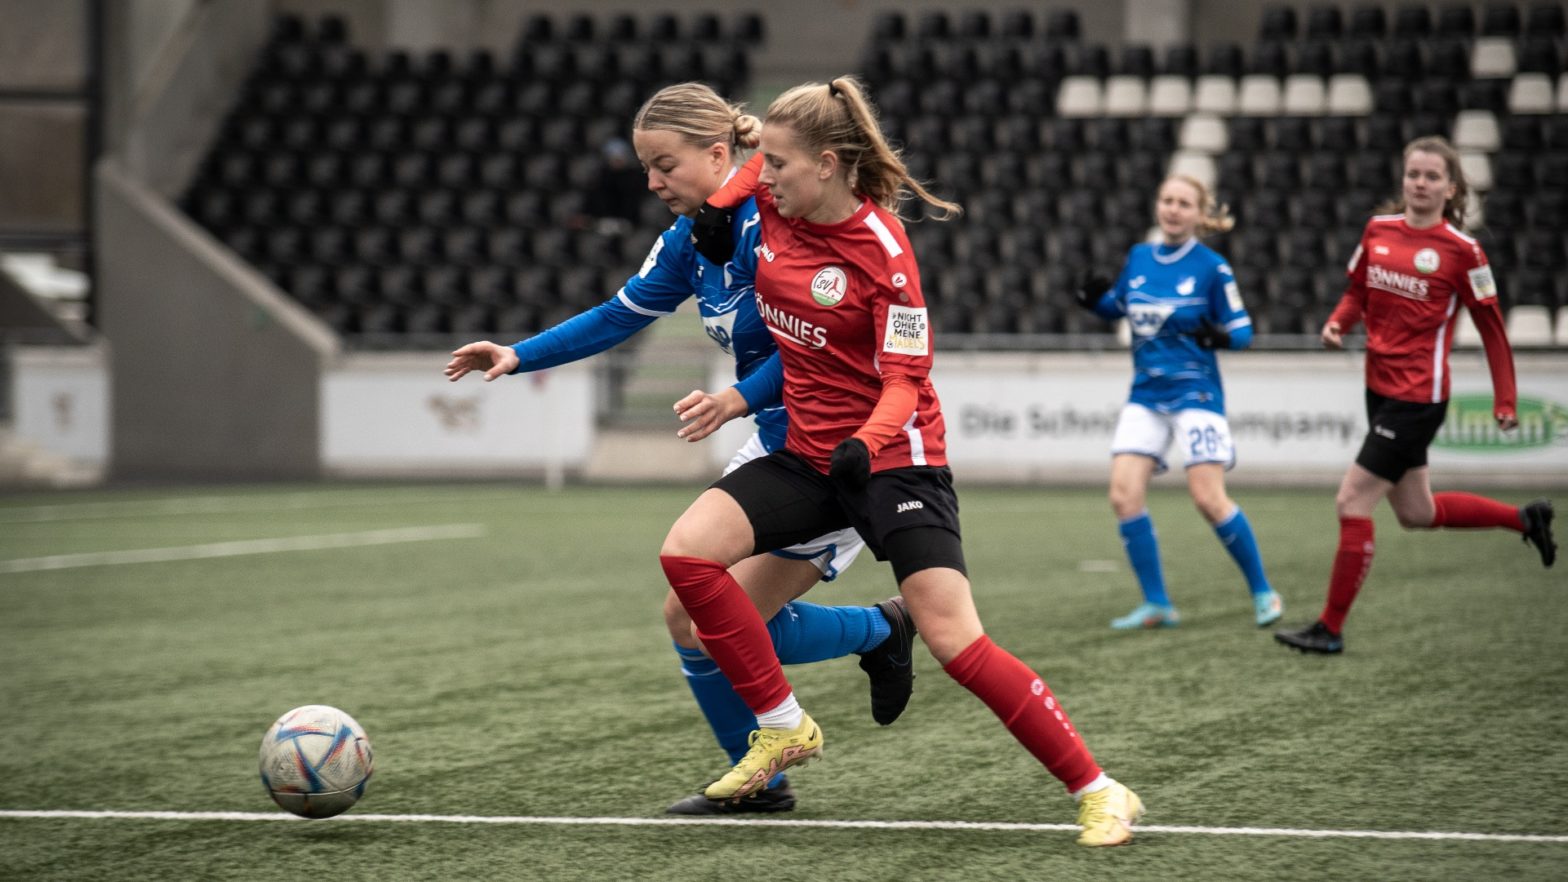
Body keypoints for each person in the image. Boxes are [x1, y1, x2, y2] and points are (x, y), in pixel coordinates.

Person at [658, 76, 1143, 847]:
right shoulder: (775, 203)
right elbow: (744, 174)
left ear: (828, 163)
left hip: (894, 459)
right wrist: (725, 201)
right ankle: (784, 727)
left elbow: (906, 380)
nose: (765, 177)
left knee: (956, 640)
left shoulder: (885, 251)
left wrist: (866, 445)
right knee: (685, 556)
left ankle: (1100, 788)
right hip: (805, 455)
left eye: (778, 164)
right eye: (765, 166)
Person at [443, 83, 918, 813]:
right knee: (689, 619)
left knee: (719, 620)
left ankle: (874, 635)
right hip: (772, 448)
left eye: (665, 164)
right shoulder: (693, 239)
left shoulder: (779, 221)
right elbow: (616, 315)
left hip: (834, 455)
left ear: (719, 153)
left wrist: (736, 396)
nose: (652, 182)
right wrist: (518, 353)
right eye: (646, 168)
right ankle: (773, 766)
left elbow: (815, 347)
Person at [1274, 135, 1557, 655]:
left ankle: (1330, 628)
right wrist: (1338, 323)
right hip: (1378, 389)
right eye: (1413, 175)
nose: (1420, 184)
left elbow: (1493, 329)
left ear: (1451, 188)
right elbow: (1357, 291)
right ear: (1402, 179)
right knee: (1416, 513)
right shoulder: (1377, 231)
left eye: (1432, 177)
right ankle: (1524, 518)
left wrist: (1506, 400)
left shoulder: (1463, 252)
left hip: (1418, 398)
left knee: (1351, 499)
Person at [1073, 176, 1283, 630]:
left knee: (1208, 498)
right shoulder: (1140, 256)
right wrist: (1096, 302)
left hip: (1196, 394)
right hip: (1146, 394)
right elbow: (1121, 306)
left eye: (1183, 203)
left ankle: (1263, 591)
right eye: (1167, 200)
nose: (1172, 209)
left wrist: (1222, 337)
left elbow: (1243, 331)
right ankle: (1157, 604)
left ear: (1199, 213)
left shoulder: (1212, 268)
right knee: (1123, 496)